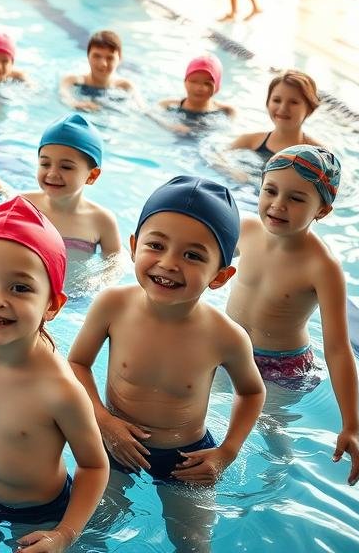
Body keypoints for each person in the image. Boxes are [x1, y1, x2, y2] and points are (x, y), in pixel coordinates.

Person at [68, 176, 265, 553]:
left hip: (187, 459)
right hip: (115, 444)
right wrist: (104, 422)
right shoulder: (113, 306)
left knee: (192, 544)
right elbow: (77, 363)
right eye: (156, 245)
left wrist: (227, 452)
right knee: (89, 532)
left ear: (221, 277)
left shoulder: (226, 336)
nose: (169, 263)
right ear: (132, 247)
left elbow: (252, 391)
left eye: (193, 255)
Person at [0, 198, 109, 552]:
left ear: (53, 305)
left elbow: (93, 466)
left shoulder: (59, 390)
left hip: (40, 513)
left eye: (20, 288)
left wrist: (64, 534)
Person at [226, 146, 359, 485]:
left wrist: (351, 426)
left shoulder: (323, 267)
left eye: (297, 198)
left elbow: (338, 348)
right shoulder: (245, 229)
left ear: (323, 210)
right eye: (270, 190)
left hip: (281, 369)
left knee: (268, 425)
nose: (278, 205)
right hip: (229, 349)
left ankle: (279, 472)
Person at [21, 115, 122, 257]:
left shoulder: (102, 220)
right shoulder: (22, 205)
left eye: (66, 167)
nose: (52, 174)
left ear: (92, 175)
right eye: (45, 164)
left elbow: (113, 267)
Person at [230, 70, 324, 159]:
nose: (283, 108)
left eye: (293, 102)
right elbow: (219, 161)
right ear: (268, 103)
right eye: (277, 100)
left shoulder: (319, 155)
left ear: (310, 109)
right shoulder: (247, 142)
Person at [58, 30, 136, 111]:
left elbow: (142, 107)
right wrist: (75, 104)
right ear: (88, 56)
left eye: (110, 58)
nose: (103, 64)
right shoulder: (72, 80)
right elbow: (64, 96)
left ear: (120, 59)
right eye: (97, 56)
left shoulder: (126, 86)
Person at [157, 54, 235, 124]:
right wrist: (171, 127)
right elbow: (152, 114)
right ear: (185, 82)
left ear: (217, 88)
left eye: (207, 83)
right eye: (193, 81)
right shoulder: (167, 105)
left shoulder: (227, 111)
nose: (199, 88)